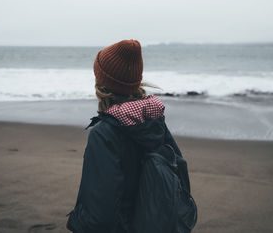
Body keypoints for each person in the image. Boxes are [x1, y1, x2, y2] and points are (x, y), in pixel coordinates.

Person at [66, 39, 191, 232]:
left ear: (102, 83)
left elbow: (100, 212)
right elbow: (180, 173)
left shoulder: (104, 133)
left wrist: (77, 223)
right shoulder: (153, 119)